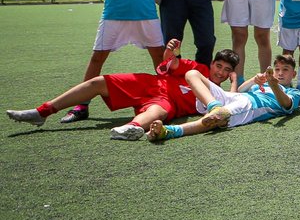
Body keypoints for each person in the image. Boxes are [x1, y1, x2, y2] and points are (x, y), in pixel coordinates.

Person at [7, 41, 238, 140]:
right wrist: (171, 51)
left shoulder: (218, 96)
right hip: (151, 84)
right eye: (218, 66)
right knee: (98, 82)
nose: (219, 72)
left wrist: (235, 83)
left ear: (229, 75)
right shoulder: (197, 68)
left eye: (226, 70)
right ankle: (42, 112)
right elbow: (174, 63)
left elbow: (231, 103)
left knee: (158, 113)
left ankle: (131, 128)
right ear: (211, 64)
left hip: (168, 102)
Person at [150, 55, 300, 140]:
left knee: (220, 116)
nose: (280, 73)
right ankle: (213, 105)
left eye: (285, 70)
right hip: (235, 97)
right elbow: (239, 91)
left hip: (250, 106)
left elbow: (286, 105)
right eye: (277, 69)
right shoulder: (265, 82)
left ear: (293, 74)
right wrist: (254, 80)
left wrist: (273, 85)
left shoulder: (294, 92)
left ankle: (170, 131)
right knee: (192, 74)